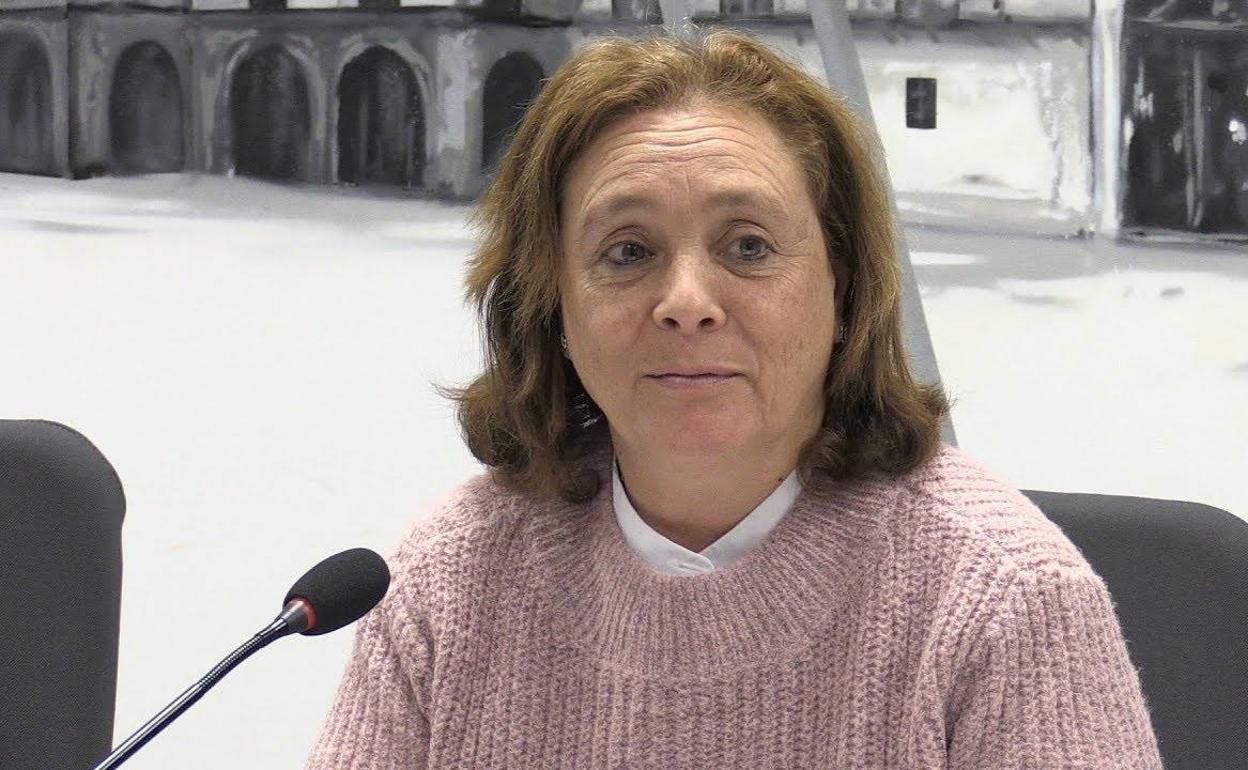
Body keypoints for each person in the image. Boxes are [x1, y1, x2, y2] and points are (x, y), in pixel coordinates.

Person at [303, 28, 1164, 769]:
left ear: (843, 289)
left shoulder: (1006, 600)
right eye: (628, 251)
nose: (687, 301)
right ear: (550, 301)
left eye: (748, 246)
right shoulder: (444, 584)